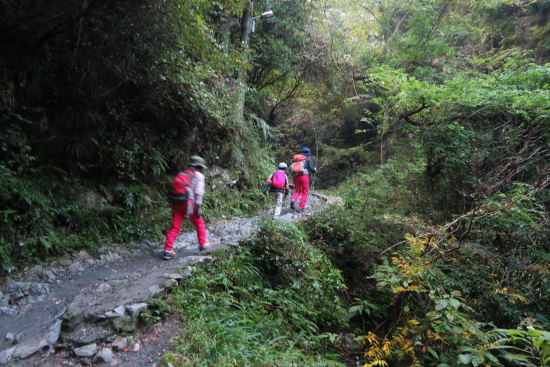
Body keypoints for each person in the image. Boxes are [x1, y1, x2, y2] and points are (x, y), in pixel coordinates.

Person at [163, 156, 210, 260]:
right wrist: (198, 206)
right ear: (200, 166)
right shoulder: (199, 176)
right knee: (199, 223)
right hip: (190, 204)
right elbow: (198, 191)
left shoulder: (183, 173)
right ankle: (203, 244)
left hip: (177, 202)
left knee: (175, 227)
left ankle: (167, 250)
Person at [290, 147, 316, 213]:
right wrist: (314, 169)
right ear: (308, 153)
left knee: (297, 190)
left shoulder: (296, 158)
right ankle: (301, 207)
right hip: (304, 176)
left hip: (295, 176)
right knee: (305, 192)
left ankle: (293, 199)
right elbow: (312, 169)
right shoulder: (308, 159)